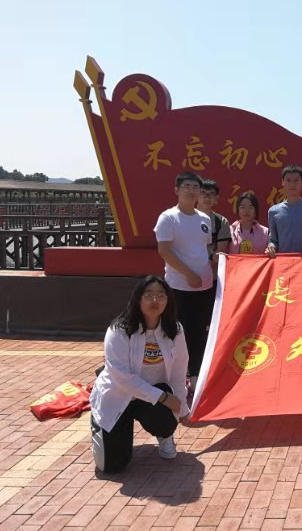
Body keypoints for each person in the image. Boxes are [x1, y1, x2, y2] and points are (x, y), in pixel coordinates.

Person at [90, 276, 189, 473]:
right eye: (148, 295)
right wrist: (164, 398)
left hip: (152, 395)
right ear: (137, 298)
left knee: (166, 420)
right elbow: (122, 378)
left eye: (161, 295)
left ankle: (165, 436)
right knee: (111, 467)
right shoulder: (119, 330)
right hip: (119, 395)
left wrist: (182, 408)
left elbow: (179, 369)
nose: (155, 300)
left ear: (168, 300)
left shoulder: (174, 329)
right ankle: (100, 422)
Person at [154, 171, 213, 385]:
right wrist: (189, 274)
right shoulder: (168, 217)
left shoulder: (205, 219)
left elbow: (204, 249)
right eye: (187, 186)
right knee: (179, 334)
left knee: (200, 332)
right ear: (177, 190)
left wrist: (216, 259)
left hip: (204, 286)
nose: (191, 190)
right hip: (179, 287)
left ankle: (196, 376)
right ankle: (178, 377)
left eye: (195, 187)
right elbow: (164, 250)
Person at [266, 164, 302, 256]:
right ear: (283, 182)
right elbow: (273, 240)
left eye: (296, 180)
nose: (292, 184)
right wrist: (271, 247)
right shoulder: (273, 211)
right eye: (288, 180)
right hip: (283, 262)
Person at [198, 179, 232, 269]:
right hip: (186, 271)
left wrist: (211, 258)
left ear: (216, 198)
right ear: (196, 195)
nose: (207, 197)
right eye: (203, 193)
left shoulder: (221, 221)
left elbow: (220, 251)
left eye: (211, 194)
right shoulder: (187, 218)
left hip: (211, 272)